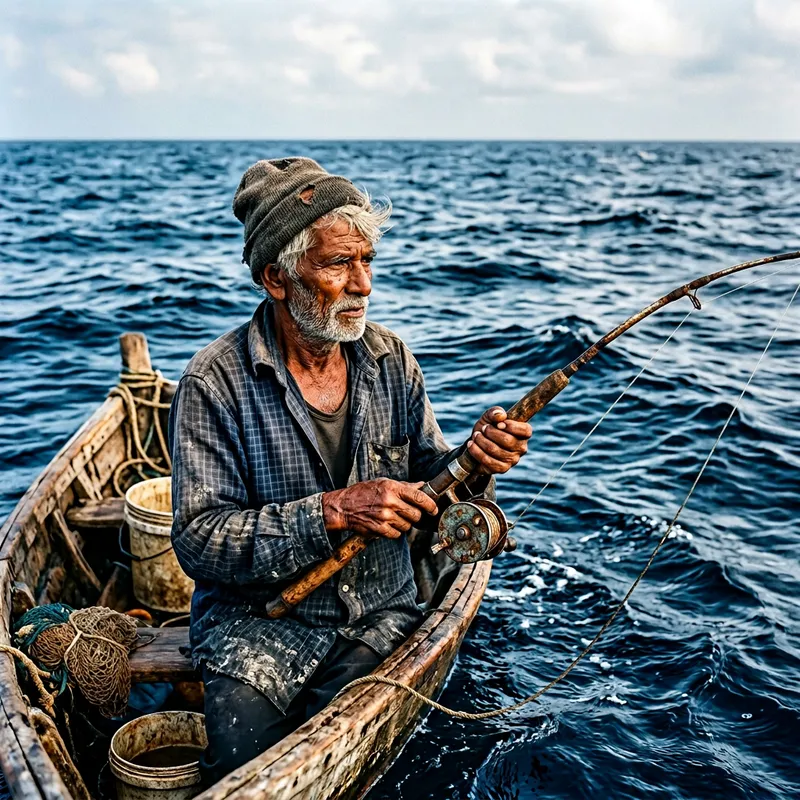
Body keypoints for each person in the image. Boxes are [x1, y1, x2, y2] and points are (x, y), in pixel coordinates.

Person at [169, 157, 533, 785]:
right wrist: (334, 510)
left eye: (368, 261)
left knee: (344, 749)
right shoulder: (213, 383)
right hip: (255, 626)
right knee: (240, 767)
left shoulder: (391, 360)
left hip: (379, 610)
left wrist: (475, 463)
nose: (364, 284)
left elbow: (433, 483)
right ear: (277, 279)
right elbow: (200, 542)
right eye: (339, 264)